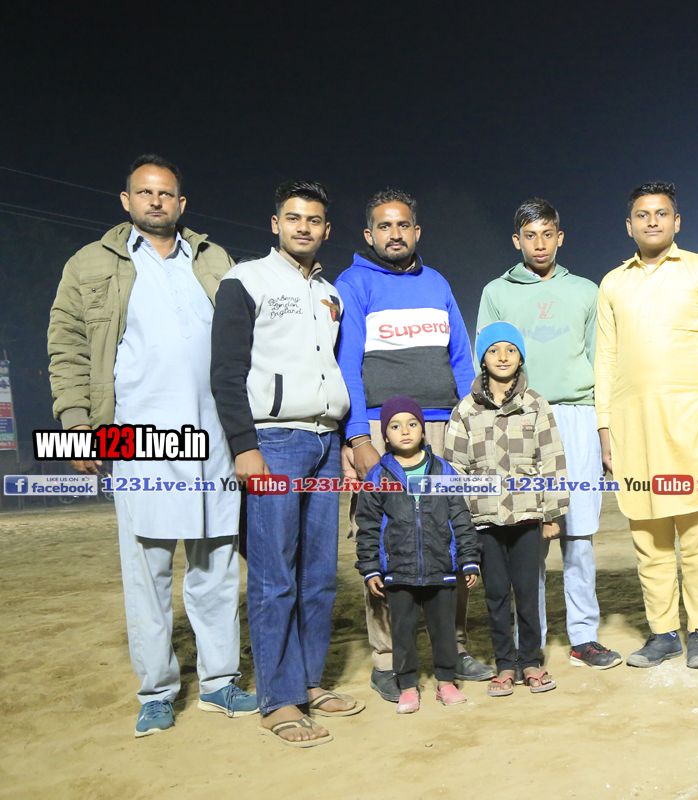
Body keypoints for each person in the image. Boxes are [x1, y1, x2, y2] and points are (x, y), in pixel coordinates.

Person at [47, 154, 255, 738]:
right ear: (126, 200)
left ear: (181, 203)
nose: (156, 201)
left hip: (215, 433)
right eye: (145, 192)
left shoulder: (213, 259)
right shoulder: (89, 263)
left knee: (216, 566)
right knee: (148, 571)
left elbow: (248, 337)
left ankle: (219, 683)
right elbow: (66, 343)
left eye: (166, 193)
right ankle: (157, 692)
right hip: (138, 435)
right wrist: (76, 424)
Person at [210, 180, 358, 747]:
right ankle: (278, 700)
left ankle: (309, 682)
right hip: (273, 443)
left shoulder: (330, 293)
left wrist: (345, 439)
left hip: (325, 443)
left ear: (326, 229)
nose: (303, 227)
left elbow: (332, 368)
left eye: (313, 219)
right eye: (293, 217)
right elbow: (226, 372)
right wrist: (243, 446)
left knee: (318, 576)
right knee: (274, 576)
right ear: (276, 224)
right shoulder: (245, 280)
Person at [333, 189, 492, 701]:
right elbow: (347, 366)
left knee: (448, 535)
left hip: (444, 425)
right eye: (384, 226)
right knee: (386, 537)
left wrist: (470, 419)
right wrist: (358, 436)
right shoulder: (353, 283)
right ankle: (387, 658)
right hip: (381, 429)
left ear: (417, 231)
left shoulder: (437, 282)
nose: (395, 234)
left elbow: (461, 358)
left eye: (403, 225)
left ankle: (455, 648)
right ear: (369, 234)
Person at [595, 182, 698, 669]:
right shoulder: (613, 283)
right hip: (634, 430)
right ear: (629, 225)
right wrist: (605, 427)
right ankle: (662, 634)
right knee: (650, 542)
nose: (652, 221)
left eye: (661, 213)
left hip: (693, 425)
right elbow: (605, 359)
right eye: (642, 214)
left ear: (677, 222)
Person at [475, 198, 622, 669]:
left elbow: (601, 361)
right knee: (528, 535)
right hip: (519, 417)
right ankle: (529, 640)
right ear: (516, 240)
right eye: (529, 235)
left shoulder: (585, 290)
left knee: (578, 534)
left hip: (577, 415)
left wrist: (604, 427)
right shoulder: (496, 292)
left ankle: (584, 637)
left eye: (547, 234)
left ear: (560, 237)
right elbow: (486, 361)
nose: (539, 244)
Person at [444, 322, 569, 696]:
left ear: (520, 357)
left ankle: (530, 662)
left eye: (511, 350)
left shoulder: (536, 405)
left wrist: (552, 514)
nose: (502, 356)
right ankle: (504, 665)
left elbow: (552, 459)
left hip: (527, 517)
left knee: (528, 593)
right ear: (482, 358)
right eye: (494, 350)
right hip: (484, 522)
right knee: (496, 595)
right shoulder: (466, 410)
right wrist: (460, 522)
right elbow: (454, 469)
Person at [355, 395, 481, 713]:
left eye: (412, 424)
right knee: (402, 631)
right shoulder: (378, 476)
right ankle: (408, 685)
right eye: (395, 426)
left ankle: (446, 681)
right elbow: (368, 525)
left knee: (444, 629)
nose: (405, 431)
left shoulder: (443, 471)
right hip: (399, 571)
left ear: (423, 431)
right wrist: (371, 568)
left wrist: (468, 559)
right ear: (385, 435)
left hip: (441, 569)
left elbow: (460, 517)